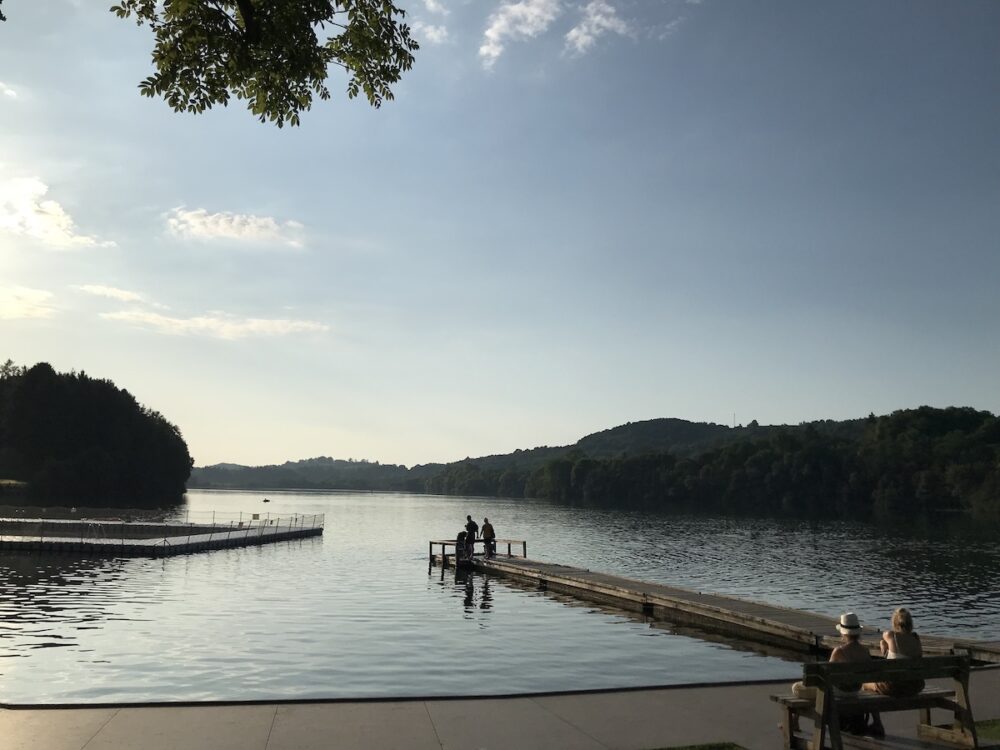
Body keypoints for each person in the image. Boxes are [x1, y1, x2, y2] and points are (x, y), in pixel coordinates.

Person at [791, 613, 873, 736]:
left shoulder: (839, 651)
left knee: (797, 688)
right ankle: (794, 722)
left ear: (843, 633)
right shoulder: (865, 651)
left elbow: (825, 676)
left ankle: (794, 722)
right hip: (855, 691)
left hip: (838, 693)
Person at [863, 607, 924, 697]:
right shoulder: (916, 637)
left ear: (895, 623)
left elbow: (883, 638)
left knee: (865, 684)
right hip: (915, 685)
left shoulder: (890, 635)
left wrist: (885, 647)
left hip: (894, 686)